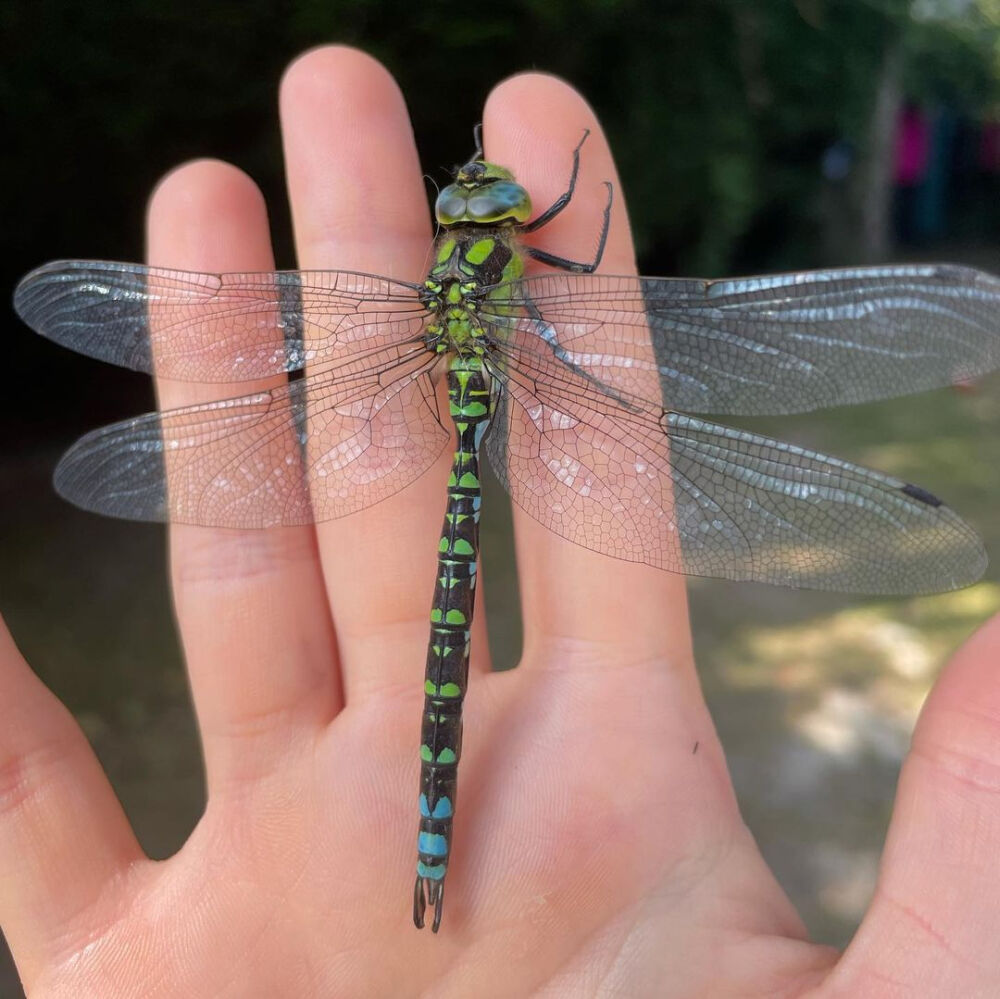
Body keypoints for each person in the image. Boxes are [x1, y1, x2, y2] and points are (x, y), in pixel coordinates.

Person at [3, 45, 1000, 997]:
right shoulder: (528, 275)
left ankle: (428, 844)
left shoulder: (428, 292)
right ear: (508, 231)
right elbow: (589, 251)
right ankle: (433, 839)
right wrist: (578, 208)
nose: (483, 202)